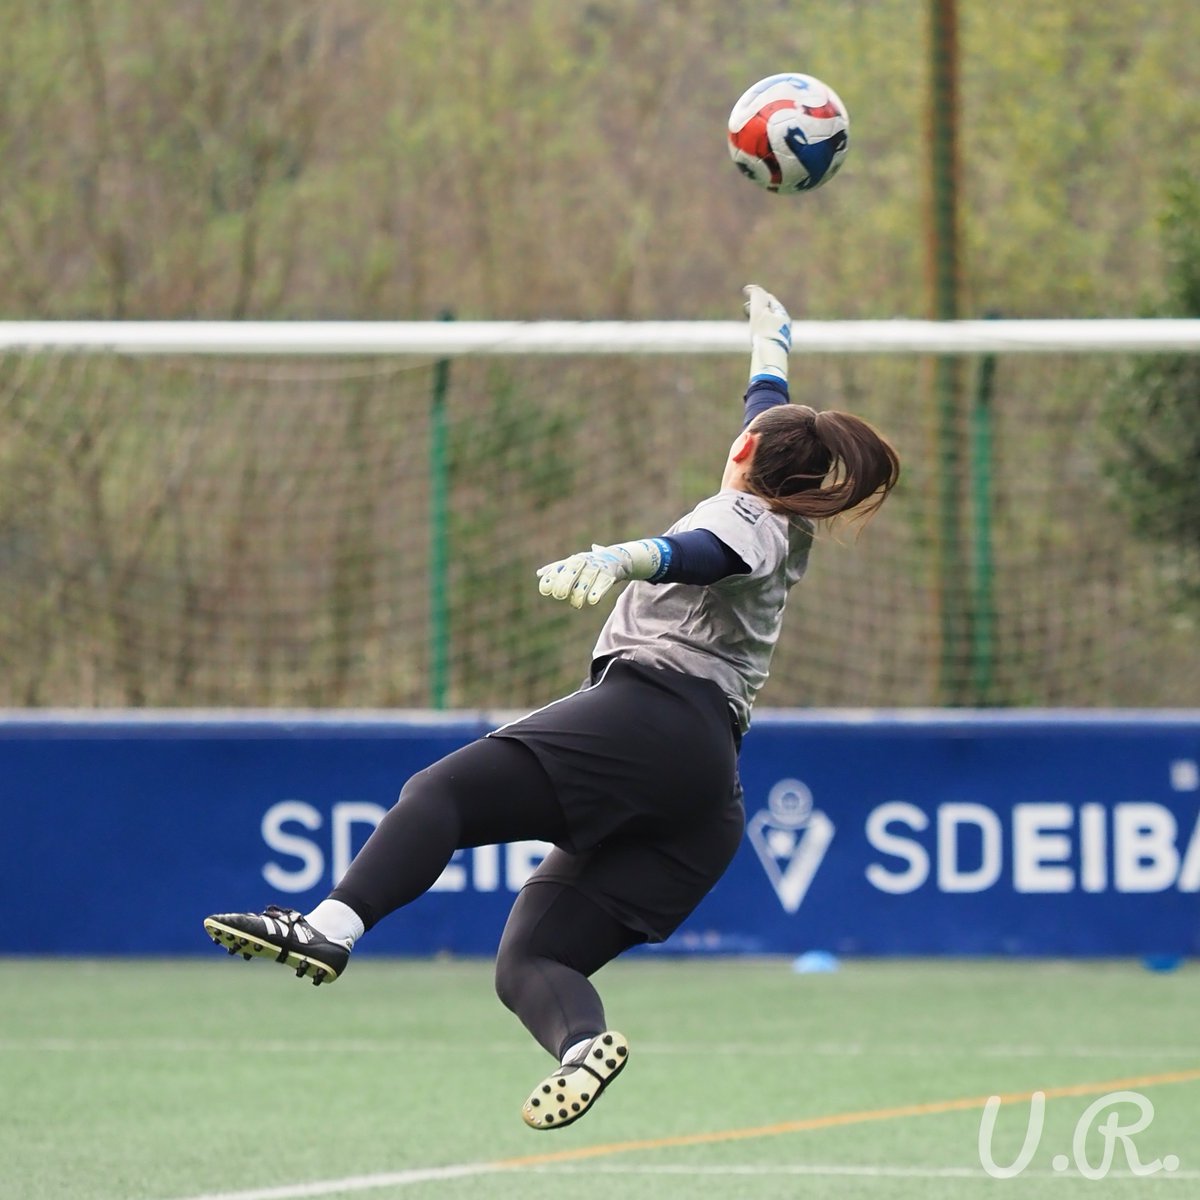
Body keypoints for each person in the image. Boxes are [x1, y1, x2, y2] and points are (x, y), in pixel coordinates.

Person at [203, 284, 900, 1131]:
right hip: (703, 798)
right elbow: (767, 414)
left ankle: (330, 927)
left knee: (440, 796)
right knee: (530, 959)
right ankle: (582, 1045)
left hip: (654, 716)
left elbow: (704, 552)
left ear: (745, 453)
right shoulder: (780, 504)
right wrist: (773, 345)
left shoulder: (745, 513)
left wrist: (629, 555)